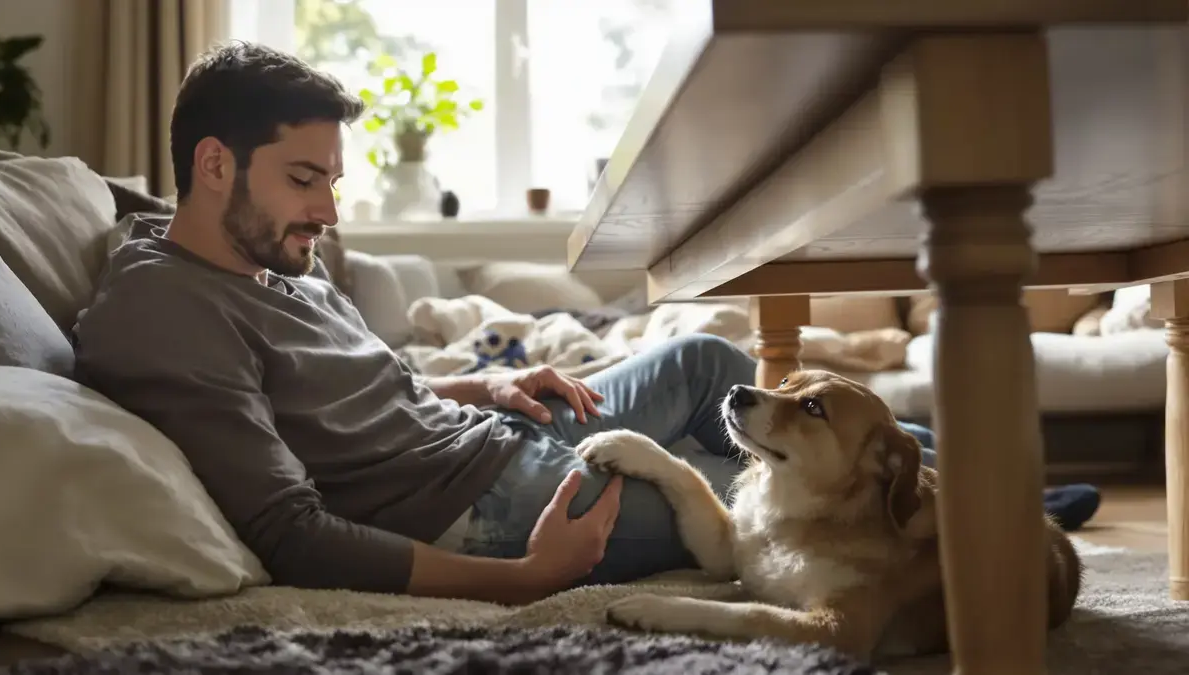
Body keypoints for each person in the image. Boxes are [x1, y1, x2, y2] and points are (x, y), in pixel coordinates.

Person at [72, 42, 1099, 605]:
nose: (328, 213)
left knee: (703, 363)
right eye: (306, 180)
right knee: (754, 512)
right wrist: (519, 579)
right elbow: (290, 532)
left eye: (331, 181)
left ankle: (944, 479)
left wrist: (481, 386)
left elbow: (365, 389)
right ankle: (977, 505)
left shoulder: (270, 257)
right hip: (479, 508)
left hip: (499, 434)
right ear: (213, 165)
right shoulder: (162, 311)